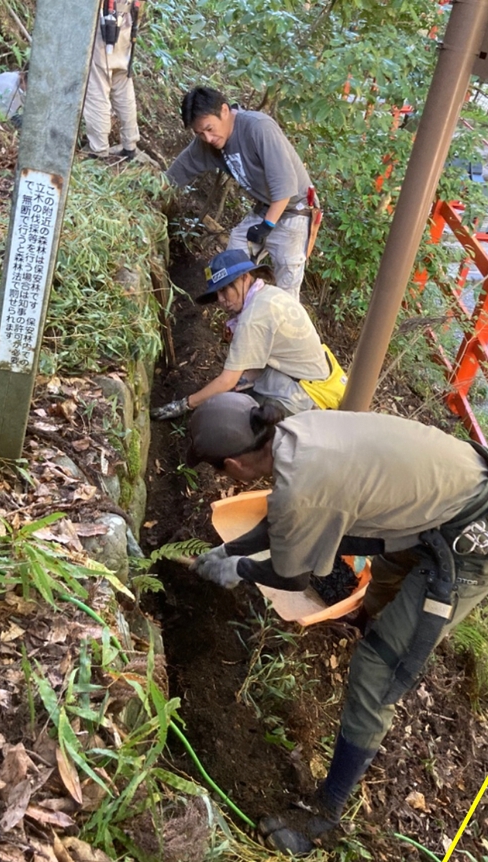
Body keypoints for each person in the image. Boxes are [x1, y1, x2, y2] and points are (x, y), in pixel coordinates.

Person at [186, 391, 488, 855]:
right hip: (444, 493)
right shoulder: (299, 431)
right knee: (386, 577)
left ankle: (325, 814)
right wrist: (230, 550)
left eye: (217, 469)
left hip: (472, 534)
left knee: (378, 668)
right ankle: (370, 627)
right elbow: (286, 517)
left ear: (233, 464)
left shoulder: (300, 483)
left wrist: (240, 570)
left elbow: (293, 573)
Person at [150, 249, 345, 421]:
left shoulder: (253, 319)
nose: (221, 300)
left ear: (245, 277)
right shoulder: (269, 294)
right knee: (239, 391)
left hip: (307, 395)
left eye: (226, 289)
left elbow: (228, 381)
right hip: (308, 375)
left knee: (241, 420)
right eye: (217, 293)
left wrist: (185, 404)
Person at [166, 87, 320, 300]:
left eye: (210, 129)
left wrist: (267, 226)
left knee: (287, 281)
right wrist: (153, 192)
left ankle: (281, 327)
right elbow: (180, 170)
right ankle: (242, 316)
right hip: (266, 207)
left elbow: (285, 187)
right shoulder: (208, 141)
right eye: (200, 133)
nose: (208, 138)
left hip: (295, 209)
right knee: (235, 257)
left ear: (224, 110)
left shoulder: (258, 128)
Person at [83, 0, 142, 160]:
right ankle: (130, 145)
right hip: (127, 18)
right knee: (122, 81)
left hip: (105, 20)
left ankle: (98, 149)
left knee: (96, 86)